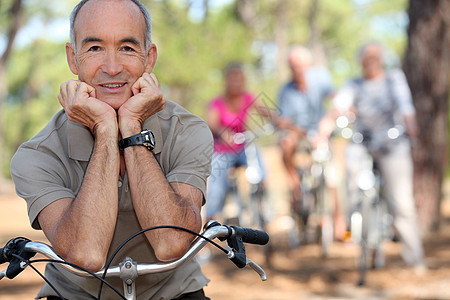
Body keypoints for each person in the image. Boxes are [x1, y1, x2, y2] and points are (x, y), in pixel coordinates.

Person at [10, 0, 213, 299]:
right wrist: (106, 130)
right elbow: (86, 255)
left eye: (127, 48)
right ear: (73, 58)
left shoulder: (188, 131)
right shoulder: (38, 154)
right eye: (94, 48)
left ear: (150, 58)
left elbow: (171, 243)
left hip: (174, 292)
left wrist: (131, 127)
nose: (112, 67)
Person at [324, 41, 426, 271]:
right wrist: (326, 124)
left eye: (375, 57)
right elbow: (339, 105)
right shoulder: (354, 84)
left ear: (381, 59)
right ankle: (358, 226)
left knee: (402, 202)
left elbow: (405, 107)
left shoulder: (394, 79)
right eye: (366, 57)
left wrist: (412, 129)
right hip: (363, 142)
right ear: (360, 61)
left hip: (393, 143)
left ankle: (415, 260)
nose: (370, 61)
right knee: (351, 171)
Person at [205, 62, 272, 222]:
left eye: (239, 79)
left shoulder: (248, 97)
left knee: (261, 169)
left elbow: (267, 112)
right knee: (216, 188)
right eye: (232, 79)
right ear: (226, 81)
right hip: (222, 150)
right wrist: (222, 132)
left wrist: (278, 121)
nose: (236, 83)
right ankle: (209, 223)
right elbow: (212, 122)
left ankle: (264, 207)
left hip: (243, 148)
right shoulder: (218, 102)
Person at [276, 46, 334, 216]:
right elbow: (285, 121)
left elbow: (335, 98)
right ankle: (295, 185)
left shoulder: (321, 78)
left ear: (308, 64)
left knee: (332, 177)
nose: (297, 69)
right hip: (299, 133)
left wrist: (329, 121)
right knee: (286, 143)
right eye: (293, 66)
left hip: (322, 134)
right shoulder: (286, 90)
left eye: (299, 65)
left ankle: (337, 224)